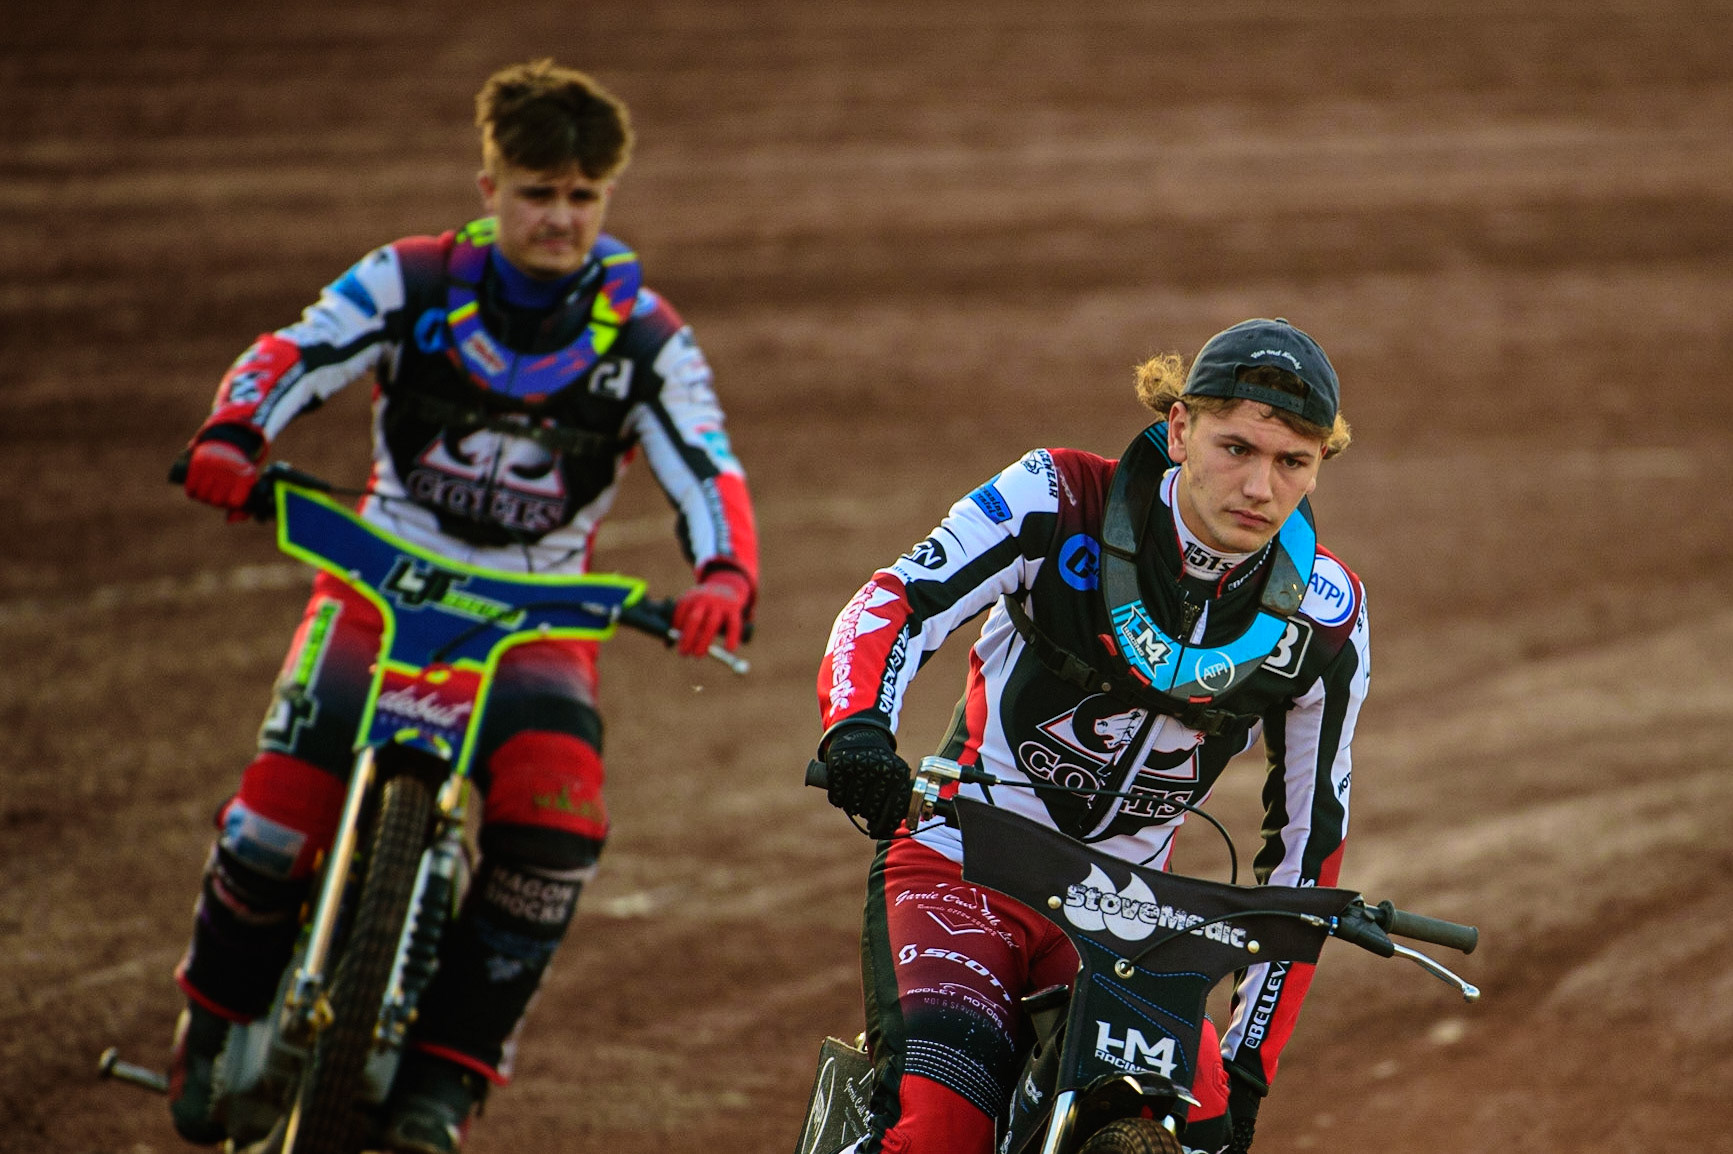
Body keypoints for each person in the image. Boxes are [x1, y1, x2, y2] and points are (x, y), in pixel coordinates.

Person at [167, 59, 758, 1154]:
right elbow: (295, 352)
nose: (560, 216)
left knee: (557, 831)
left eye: (584, 196)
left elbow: (705, 461)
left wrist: (724, 573)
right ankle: (208, 1025)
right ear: (487, 184)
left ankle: (446, 1079)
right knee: (268, 823)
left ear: (607, 200)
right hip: (376, 579)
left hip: (538, 616)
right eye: (538, 190)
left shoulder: (644, 337)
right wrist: (232, 431)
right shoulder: (411, 279)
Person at [815, 318, 1368, 1154]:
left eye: (1293, 462)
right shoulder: (1056, 494)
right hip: (965, 862)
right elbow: (898, 599)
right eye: (1236, 449)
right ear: (1178, 429)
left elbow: (1305, 848)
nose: (1260, 487)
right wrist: (856, 730)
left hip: (1128, 911)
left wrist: (1250, 1062)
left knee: (1205, 1134)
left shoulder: (1328, 618)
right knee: (940, 1131)